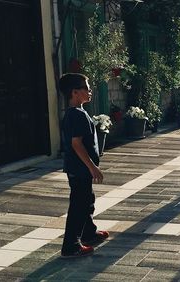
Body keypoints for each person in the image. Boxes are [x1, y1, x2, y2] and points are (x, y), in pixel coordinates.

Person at [59, 73, 109, 258]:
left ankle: (88, 233)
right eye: (86, 88)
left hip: (77, 169)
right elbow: (76, 143)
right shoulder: (78, 115)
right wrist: (92, 167)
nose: (90, 91)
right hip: (80, 169)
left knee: (86, 201)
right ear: (75, 92)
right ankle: (71, 246)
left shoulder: (75, 113)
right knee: (79, 206)